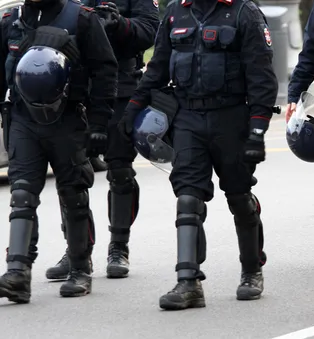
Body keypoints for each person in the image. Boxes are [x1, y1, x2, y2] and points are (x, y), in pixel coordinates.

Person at [118, 0, 277, 310]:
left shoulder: (244, 12)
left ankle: (251, 270)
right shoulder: (177, 11)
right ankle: (188, 281)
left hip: (231, 118)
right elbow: (158, 66)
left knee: (239, 196)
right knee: (188, 198)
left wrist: (258, 131)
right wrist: (134, 107)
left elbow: (262, 75)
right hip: (188, 117)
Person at [0, 0, 117, 302]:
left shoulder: (82, 19)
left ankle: (80, 268)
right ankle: (17, 273)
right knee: (22, 194)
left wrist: (100, 122)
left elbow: (105, 71)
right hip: (23, 119)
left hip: (67, 119)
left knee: (73, 194)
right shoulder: (11, 20)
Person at [45, 0, 159, 281]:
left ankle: (118, 247)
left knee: (119, 169)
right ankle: (77, 249)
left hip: (119, 86)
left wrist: (120, 25)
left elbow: (150, 31)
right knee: (68, 171)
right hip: (73, 88)